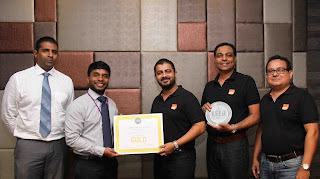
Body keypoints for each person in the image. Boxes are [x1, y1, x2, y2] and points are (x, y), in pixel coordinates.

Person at [1, 36, 74, 179]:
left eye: (54, 52)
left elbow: (69, 114)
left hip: (58, 146)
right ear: (35, 53)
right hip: (28, 146)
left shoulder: (66, 81)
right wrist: (24, 134)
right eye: (45, 51)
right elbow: (8, 114)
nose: (50, 55)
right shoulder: (18, 79)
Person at [251, 55, 319, 179]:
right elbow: (261, 129)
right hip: (266, 163)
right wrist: (256, 158)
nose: (275, 74)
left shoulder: (302, 97)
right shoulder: (265, 100)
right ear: (266, 76)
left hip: (292, 165)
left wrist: (305, 167)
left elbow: (313, 132)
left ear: (290, 73)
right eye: (271, 71)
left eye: (280, 70)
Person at [201, 42, 260, 179]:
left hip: (235, 145)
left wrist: (233, 127)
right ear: (214, 59)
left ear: (235, 59)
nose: (224, 59)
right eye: (220, 56)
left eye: (228, 55)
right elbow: (204, 113)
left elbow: (256, 115)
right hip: (212, 145)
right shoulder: (210, 86)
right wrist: (204, 109)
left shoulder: (246, 82)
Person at [65, 61, 122, 179]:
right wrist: (101, 151)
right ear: (88, 79)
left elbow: (112, 133)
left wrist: (128, 125)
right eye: (96, 75)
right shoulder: (78, 105)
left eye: (105, 76)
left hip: (110, 165)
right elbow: (71, 139)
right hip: (87, 165)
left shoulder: (111, 104)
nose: (100, 79)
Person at [151, 58, 206, 179]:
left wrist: (175, 144)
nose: (164, 75)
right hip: (160, 159)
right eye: (160, 73)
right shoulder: (157, 101)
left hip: (182, 159)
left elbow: (200, 126)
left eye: (168, 71)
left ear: (175, 73)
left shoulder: (187, 97)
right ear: (155, 76)